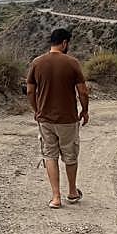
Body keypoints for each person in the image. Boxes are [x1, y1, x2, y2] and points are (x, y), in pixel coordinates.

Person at [26, 27, 90, 209]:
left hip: (45, 119)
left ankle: (56, 197)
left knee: (50, 155)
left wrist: (37, 110)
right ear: (64, 43)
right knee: (70, 155)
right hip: (68, 118)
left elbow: (30, 91)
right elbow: (83, 92)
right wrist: (84, 111)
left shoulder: (37, 63)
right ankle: (72, 192)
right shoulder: (72, 63)